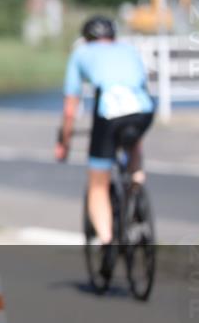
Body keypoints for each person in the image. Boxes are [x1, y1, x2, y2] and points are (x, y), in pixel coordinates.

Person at [55, 15, 155, 252]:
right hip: (143, 111)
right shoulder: (128, 50)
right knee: (133, 136)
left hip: (109, 114)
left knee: (98, 184)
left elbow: (70, 109)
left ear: (86, 38)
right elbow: (139, 86)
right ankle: (136, 179)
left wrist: (64, 141)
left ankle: (107, 239)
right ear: (113, 37)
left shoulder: (81, 53)